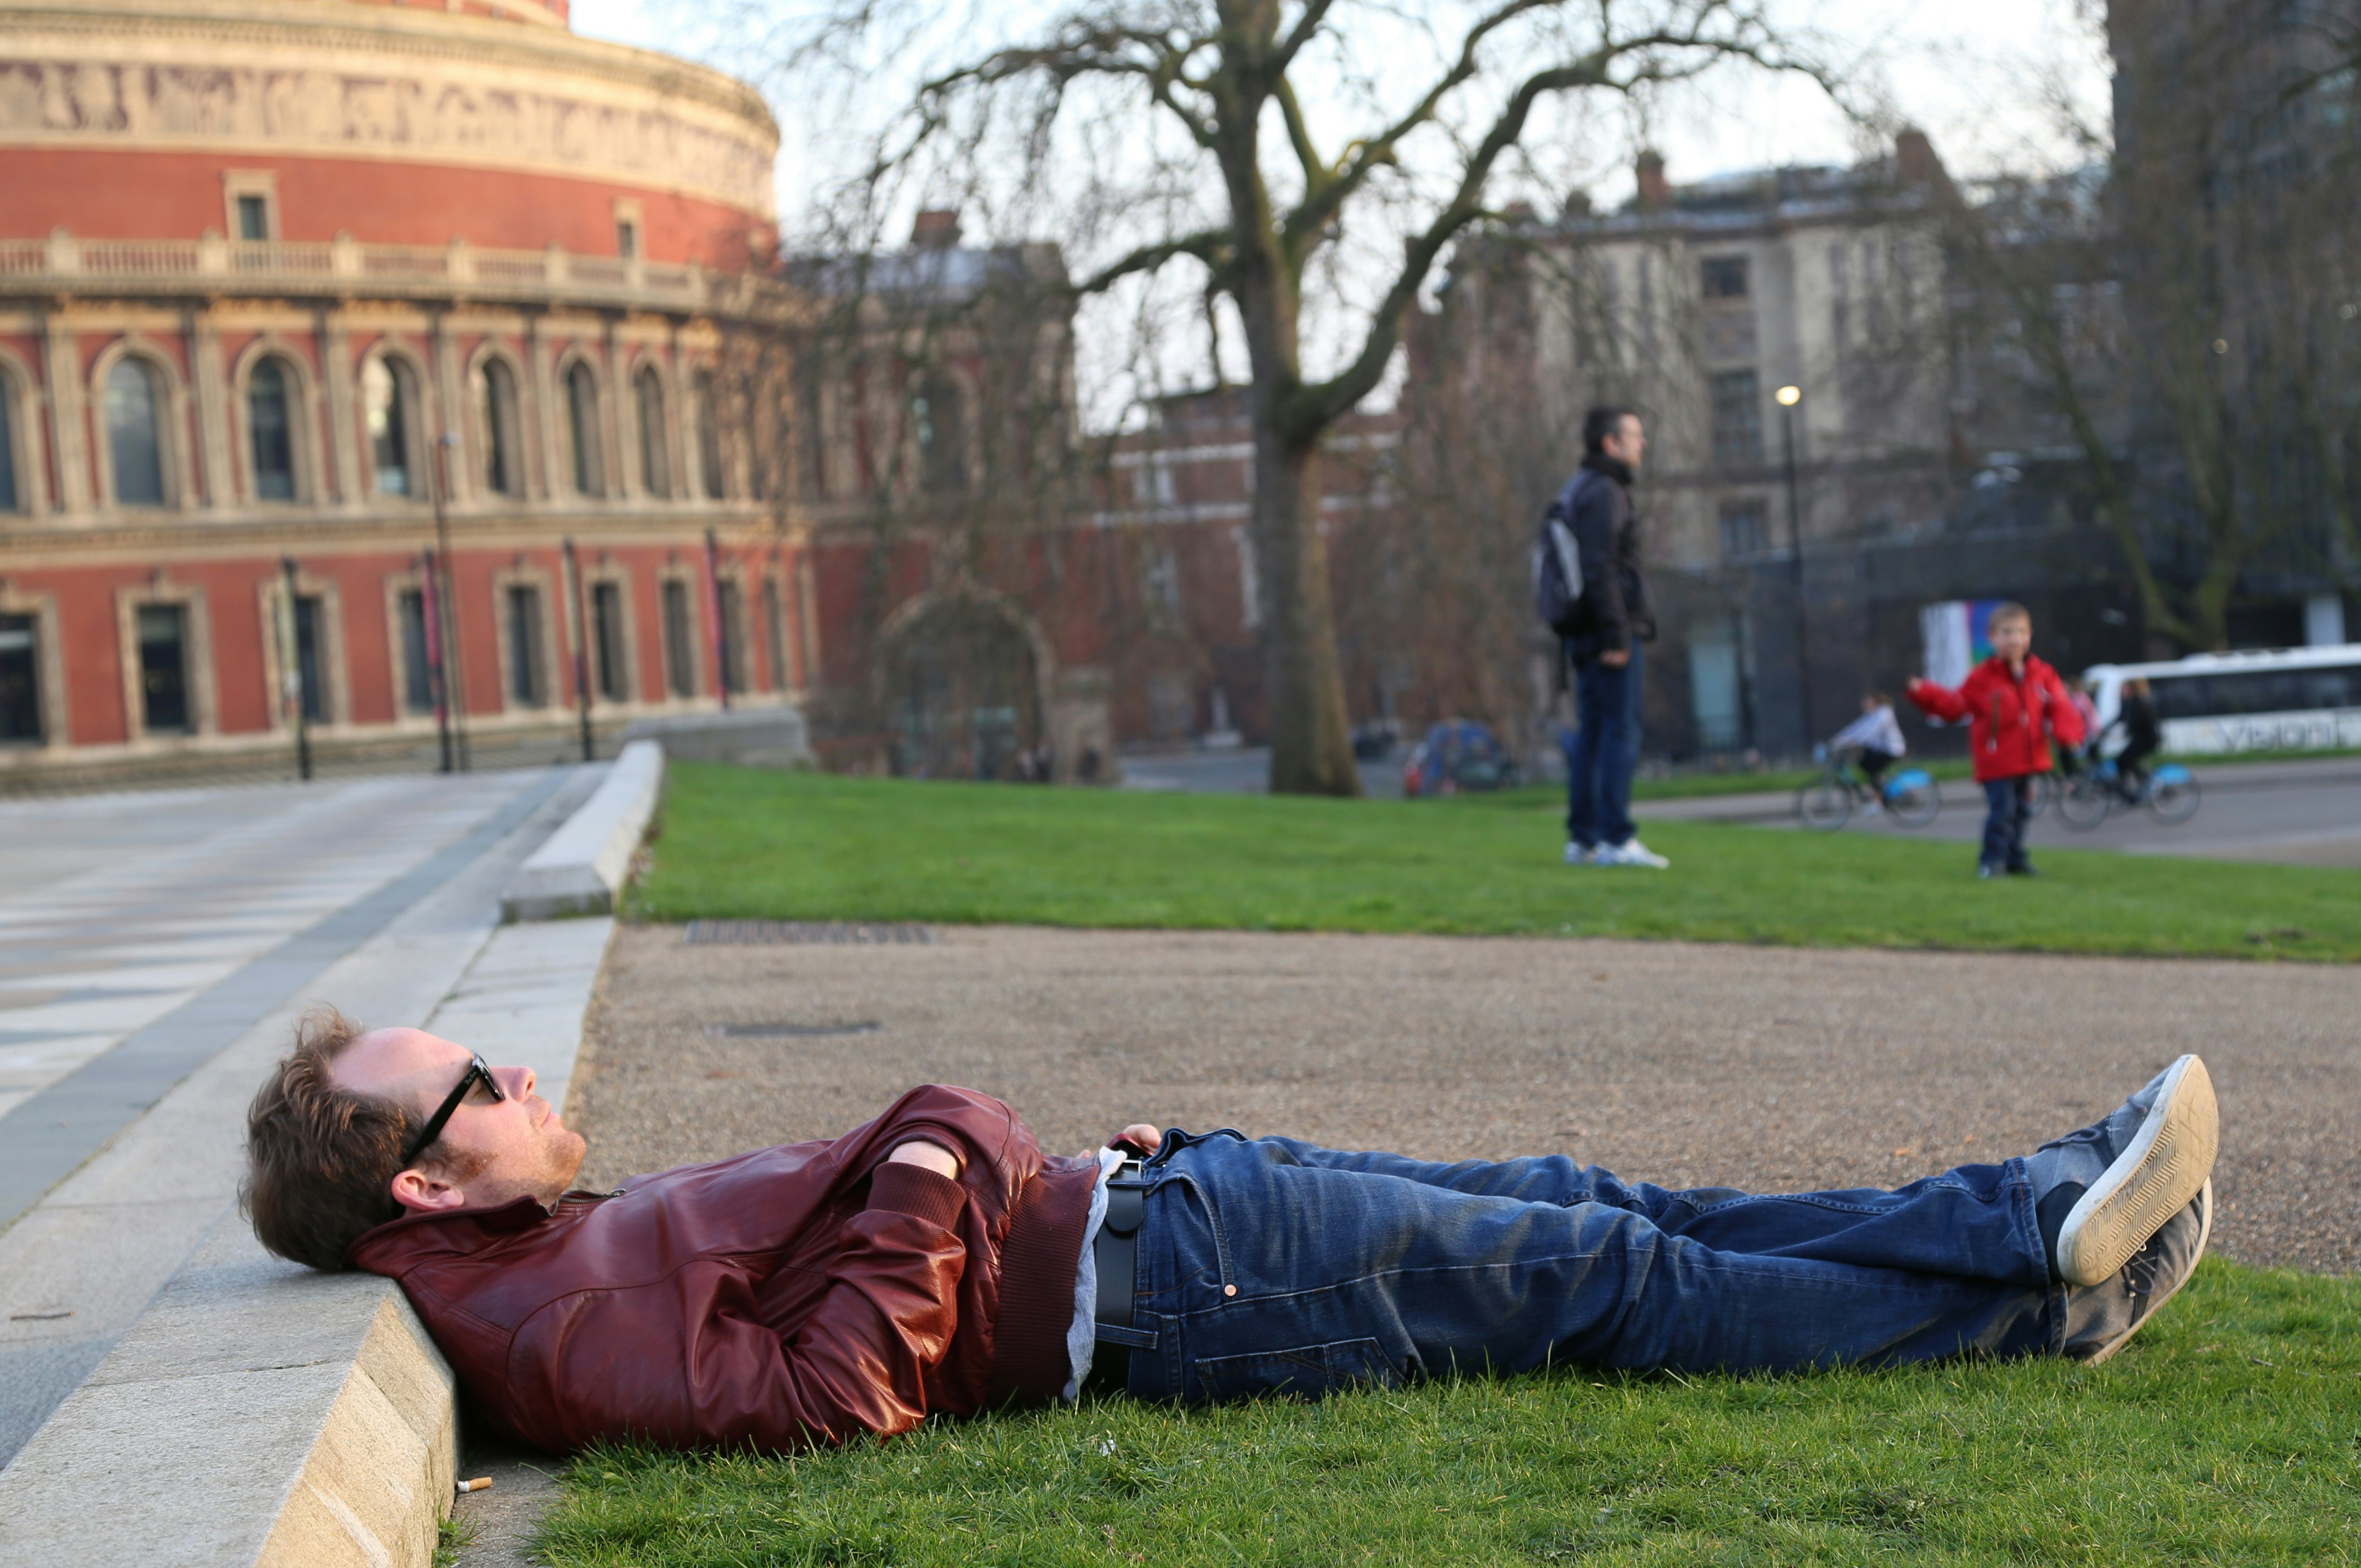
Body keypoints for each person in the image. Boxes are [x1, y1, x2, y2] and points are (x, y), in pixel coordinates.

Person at [241, 1012, 2219, 1455]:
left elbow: (830, 1271)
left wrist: (968, 1168)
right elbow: (837, 1393)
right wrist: (939, 1151)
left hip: (1153, 1211)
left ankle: (2029, 1207)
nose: (515, 1077)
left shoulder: (534, 1256)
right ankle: (2031, 1305)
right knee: (1614, 1280)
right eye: (478, 1077)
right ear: (417, 1175)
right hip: (1169, 1282)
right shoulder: (539, 1317)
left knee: (1603, 1207)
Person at [1557, 407, 1667, 870]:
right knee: (1619, 733)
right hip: (1608, 635)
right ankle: (1617, 839)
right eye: (1635, 436)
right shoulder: (1606, 492)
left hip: (1584, 633)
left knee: (1594, 736)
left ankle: (1584, 839)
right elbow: (1601, 568)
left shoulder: (1579, 487)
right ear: (1610, 443)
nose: (1642, 444)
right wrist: (1619, 635)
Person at [1906, 603, 2084, 878]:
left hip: (2030, 758)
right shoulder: (1983, 678)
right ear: (1993, 637)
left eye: (2020, 632)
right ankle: (1992, 861)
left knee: (2023, 812)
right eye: (2007, 632)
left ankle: (2016, 858)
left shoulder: (2043, 674)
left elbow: (2061, 707)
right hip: (1997, 761)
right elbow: (1955, 705)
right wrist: (1924, 693)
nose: (2014, 639)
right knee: (2003, 812)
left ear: (2030, 636)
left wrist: (2068, 736)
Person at [1829, 690, 1906, 812]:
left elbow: (1871, 731)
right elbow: (1858, 727)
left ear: (1875, 701)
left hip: (1891, 750)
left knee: (1873, 769)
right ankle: (1879, 791)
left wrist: (1853, 741)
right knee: (1863, 763)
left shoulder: (1884, 713)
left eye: (1867, 701)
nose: (1864, 704)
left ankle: (1877, 802)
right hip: (1880, 749)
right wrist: (1840, 738)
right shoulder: (1873, 714)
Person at [2111, 677, 2162, 799]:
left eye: (2124, 688)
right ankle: (2138, 785)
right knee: (2124, 761)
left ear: (2132, 689)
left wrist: (2128, 731)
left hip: (2148, 740)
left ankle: (2145, 784)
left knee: (2124, 760)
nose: (2122, 691)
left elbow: (2142, 721)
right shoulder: (2131, 703)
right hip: (2141, 739)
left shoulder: (2140, 703)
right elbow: (2120, 718)